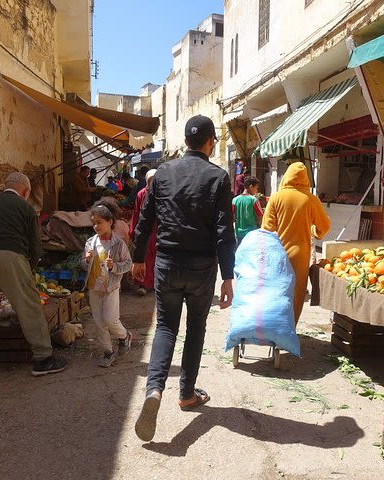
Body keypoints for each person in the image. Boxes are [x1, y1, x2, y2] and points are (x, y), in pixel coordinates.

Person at [132, 115, 235, 442]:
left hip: (167, 262)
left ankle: (154, 390)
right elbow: (224, 232)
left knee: (165, 326)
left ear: (187, 141)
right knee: (195, 328)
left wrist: (137, 258)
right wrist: (228, 277)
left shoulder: (163, 173)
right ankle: (187, 393)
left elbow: (145, 219)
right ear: (210, 142)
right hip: (202, 268)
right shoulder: (218, 177)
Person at [0, 172, 66, 378]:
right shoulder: (26, 207)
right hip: (11, 257)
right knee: (30, 307)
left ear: (5, 186)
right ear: (25, 192)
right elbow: (35, 246)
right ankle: (43, 359)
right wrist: (29, 268)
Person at [261, 162, 331, 324]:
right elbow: (325, 226)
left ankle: (274, 328)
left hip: (277, 253)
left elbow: (266, 229)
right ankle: (289, 331)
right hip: (300, 256)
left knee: (277, 292)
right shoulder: (311, 199)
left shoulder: (276, 197)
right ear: (305, 179)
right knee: (296, 295)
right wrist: (315, 232)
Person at [82, 198, 133, 367]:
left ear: (110, 222)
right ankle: (108, 352)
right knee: (99, 321)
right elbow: (83, 264)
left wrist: (113, 266)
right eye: (94, 223)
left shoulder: (118, 244)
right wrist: (86, 260)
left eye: (100, 222)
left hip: (111, 287)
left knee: (110, 319)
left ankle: (125, 336)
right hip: (94, 287)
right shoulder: (91, 242)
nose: (96, 226)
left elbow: (128, 264)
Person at [129, 169, 157, 296]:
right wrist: (133, 231)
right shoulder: (141, 194)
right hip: (145, 231)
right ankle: (143, 285)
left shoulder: (163, 193)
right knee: (144, 257)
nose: (152, 183)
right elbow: (136, 213)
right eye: (150, 180)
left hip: (158, 231)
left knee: (157, 258)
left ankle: (156, 284)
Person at [232, 176, 264, 247]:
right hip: (251, 234)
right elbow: (260, 217)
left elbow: (232, 217)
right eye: (256, 188)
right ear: (251, 186)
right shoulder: (254, 200)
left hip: (239, 233)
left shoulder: (235, 200)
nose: (257, 190)